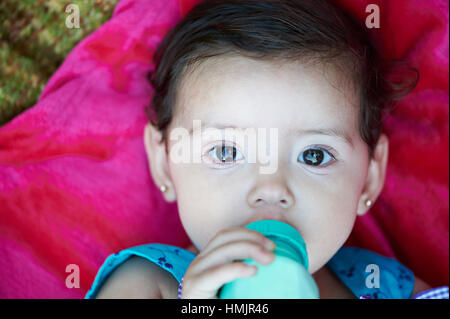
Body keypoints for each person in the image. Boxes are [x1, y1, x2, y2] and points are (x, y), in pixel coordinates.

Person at [85, 0, 448, 299]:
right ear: (165, 163)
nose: (271, 189)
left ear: (368, 178)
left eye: (314, 155)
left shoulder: (382, 284)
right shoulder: (148, 284)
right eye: (226, 152)